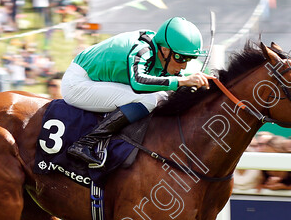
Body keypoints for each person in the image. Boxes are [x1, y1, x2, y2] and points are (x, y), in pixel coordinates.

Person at [61, 16, 210, 166]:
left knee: (161, 95)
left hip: (94, 80)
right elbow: (138, 83)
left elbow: (170, 81)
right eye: (180, 58)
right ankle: (84, 143)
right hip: (77, 83)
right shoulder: (143, 50)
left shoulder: (160, 49)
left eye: (188, 60)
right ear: (165, 50)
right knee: (149, 100)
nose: (184, 66)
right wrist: (182, 81)